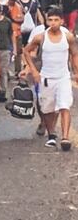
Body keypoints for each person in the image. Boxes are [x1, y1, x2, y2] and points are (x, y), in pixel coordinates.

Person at [22, 8, 78, 150]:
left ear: (62, 21)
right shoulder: (41, 37)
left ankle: (65, 138)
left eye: (56, 20)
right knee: (47, 109)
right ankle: (51, 134)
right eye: (50, 20)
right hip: (46, 77)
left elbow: (74, 54)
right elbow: (26, 51)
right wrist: (33, 70)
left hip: (63, 77)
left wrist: (76, 72)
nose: (53, 23)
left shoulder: (68, 37)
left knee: (64, 106)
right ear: (46, 21)